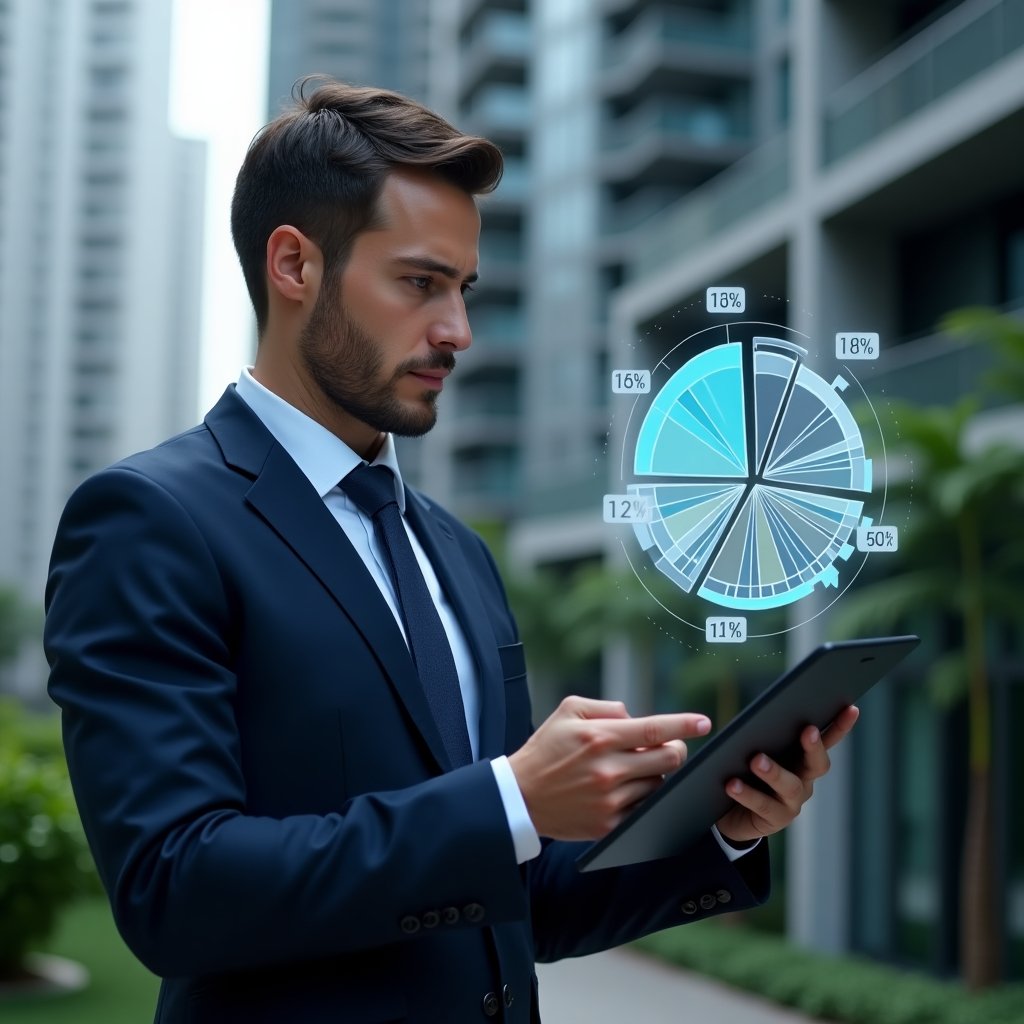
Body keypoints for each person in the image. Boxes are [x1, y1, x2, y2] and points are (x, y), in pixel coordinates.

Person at [44, 79, 858, 1024]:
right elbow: (175, 889)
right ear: (295, 265)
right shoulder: (151, 520)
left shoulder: (456, 553)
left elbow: (514, 903)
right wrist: (511, 796)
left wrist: (717, 831)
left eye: (464, 290)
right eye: (420, 283)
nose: (457, 333)